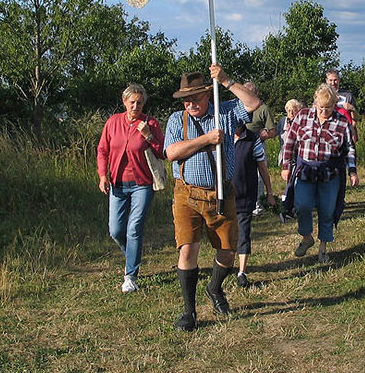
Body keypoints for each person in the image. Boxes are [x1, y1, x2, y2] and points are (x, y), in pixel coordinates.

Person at [164, 65, 261, 332]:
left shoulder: (226, 112)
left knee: (228, 251)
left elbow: (253, 103)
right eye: (186, 98)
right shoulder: (176, 120)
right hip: (187, 194)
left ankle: (215, 288)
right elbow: (171, 152)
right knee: (188, 248)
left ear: (208, 94)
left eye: (195, 97)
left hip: (221, 192)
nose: (190, 103)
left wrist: (227, 80)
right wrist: (206, 139)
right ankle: (189, 311)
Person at [96, 83, 165, 293]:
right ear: (124, 102)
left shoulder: (150, 123)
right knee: (116, 230)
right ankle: (132, 256)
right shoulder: (113, 122)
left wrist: (148, 136)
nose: (136, 106)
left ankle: (130, 275)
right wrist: (102, 175)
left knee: (134, 228)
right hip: (117, 184)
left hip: (142, 184)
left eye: (140, 102)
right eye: (132, 102)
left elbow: (162, 152)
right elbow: (102, 150)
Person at [280, 84, 359, 263]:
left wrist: (352, 172)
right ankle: (307, 237)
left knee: (327, 210)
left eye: (329, 108)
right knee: (302, 206)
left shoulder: (341, 122)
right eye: (321, 107)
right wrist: (286, 166)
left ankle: (323, 248)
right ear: (315, 103)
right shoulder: (302, 116)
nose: (324, 111)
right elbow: (290, 142)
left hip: (330, 173)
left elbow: (350, 149)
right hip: (306, 170)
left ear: (334, 105)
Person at [232, 124, 275, 287]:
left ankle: (241, 272)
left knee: (243, 232)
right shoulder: (220, 136)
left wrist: (269, 192)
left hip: (245, 194)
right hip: (225, 196)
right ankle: (225, 266)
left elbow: (262, 167)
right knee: (227, 234)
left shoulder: (252, 139)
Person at [243, 81, 277, 215]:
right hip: (240, 144)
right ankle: (242, 202)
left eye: (251, 93)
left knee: (259, 175)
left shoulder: (263, 109)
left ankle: (258, 205)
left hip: (257, 144)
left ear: (257, 94)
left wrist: (265, 134)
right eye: (246, 93)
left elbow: (272, 131)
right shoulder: (238, 107)